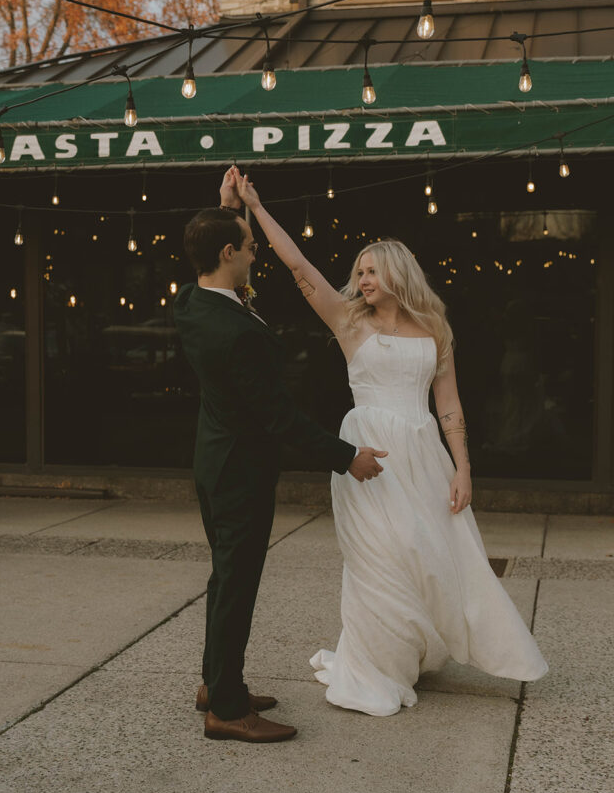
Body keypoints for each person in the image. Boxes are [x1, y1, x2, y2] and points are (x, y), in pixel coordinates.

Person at [232, 168, 548, 717]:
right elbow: (298, 267)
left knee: (427, 557)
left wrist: (463, 468)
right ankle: (376, 664)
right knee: (377, 558)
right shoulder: (349, 322)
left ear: (399, 274)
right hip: (366, 454)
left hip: (423, 454)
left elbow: (448, 404)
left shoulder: (435, 329)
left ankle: (411, 647)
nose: (364, 278)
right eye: (360, 270)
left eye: (373, 269)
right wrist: (255, 208)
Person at [173, 170, 388, 743]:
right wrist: (349, 458)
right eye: (246, 247)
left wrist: (227, 208)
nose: (253, 256)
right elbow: (281, 420)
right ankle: (226, 709)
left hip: (213, 463)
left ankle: (219, 683)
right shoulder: (236, 334)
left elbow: (212, 259)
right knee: (236, 585)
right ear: (227, 253)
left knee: (225, 580)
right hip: (241, 472)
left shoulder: (192, 303)